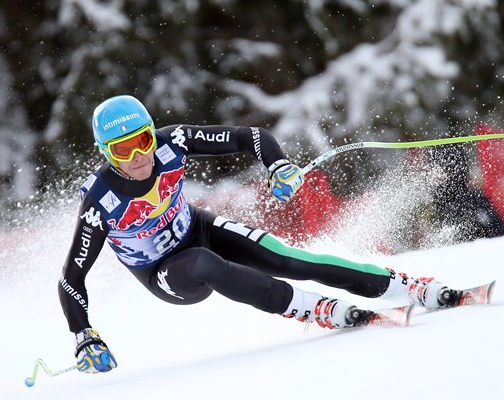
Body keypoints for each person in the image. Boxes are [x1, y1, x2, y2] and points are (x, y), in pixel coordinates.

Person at [59, 95, 459, 374]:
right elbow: (70, 278)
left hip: (199, 228)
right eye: (123, 151)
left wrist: (278, 164)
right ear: (107, 155)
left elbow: (249, 137)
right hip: (166, 273)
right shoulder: (101, 202)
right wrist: (84, 335)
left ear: (152, 132)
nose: (140, 156)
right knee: (202, 263)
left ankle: (402, 286)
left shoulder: (172, 142)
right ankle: (312, 307)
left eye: (143, 140)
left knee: (287, 258)